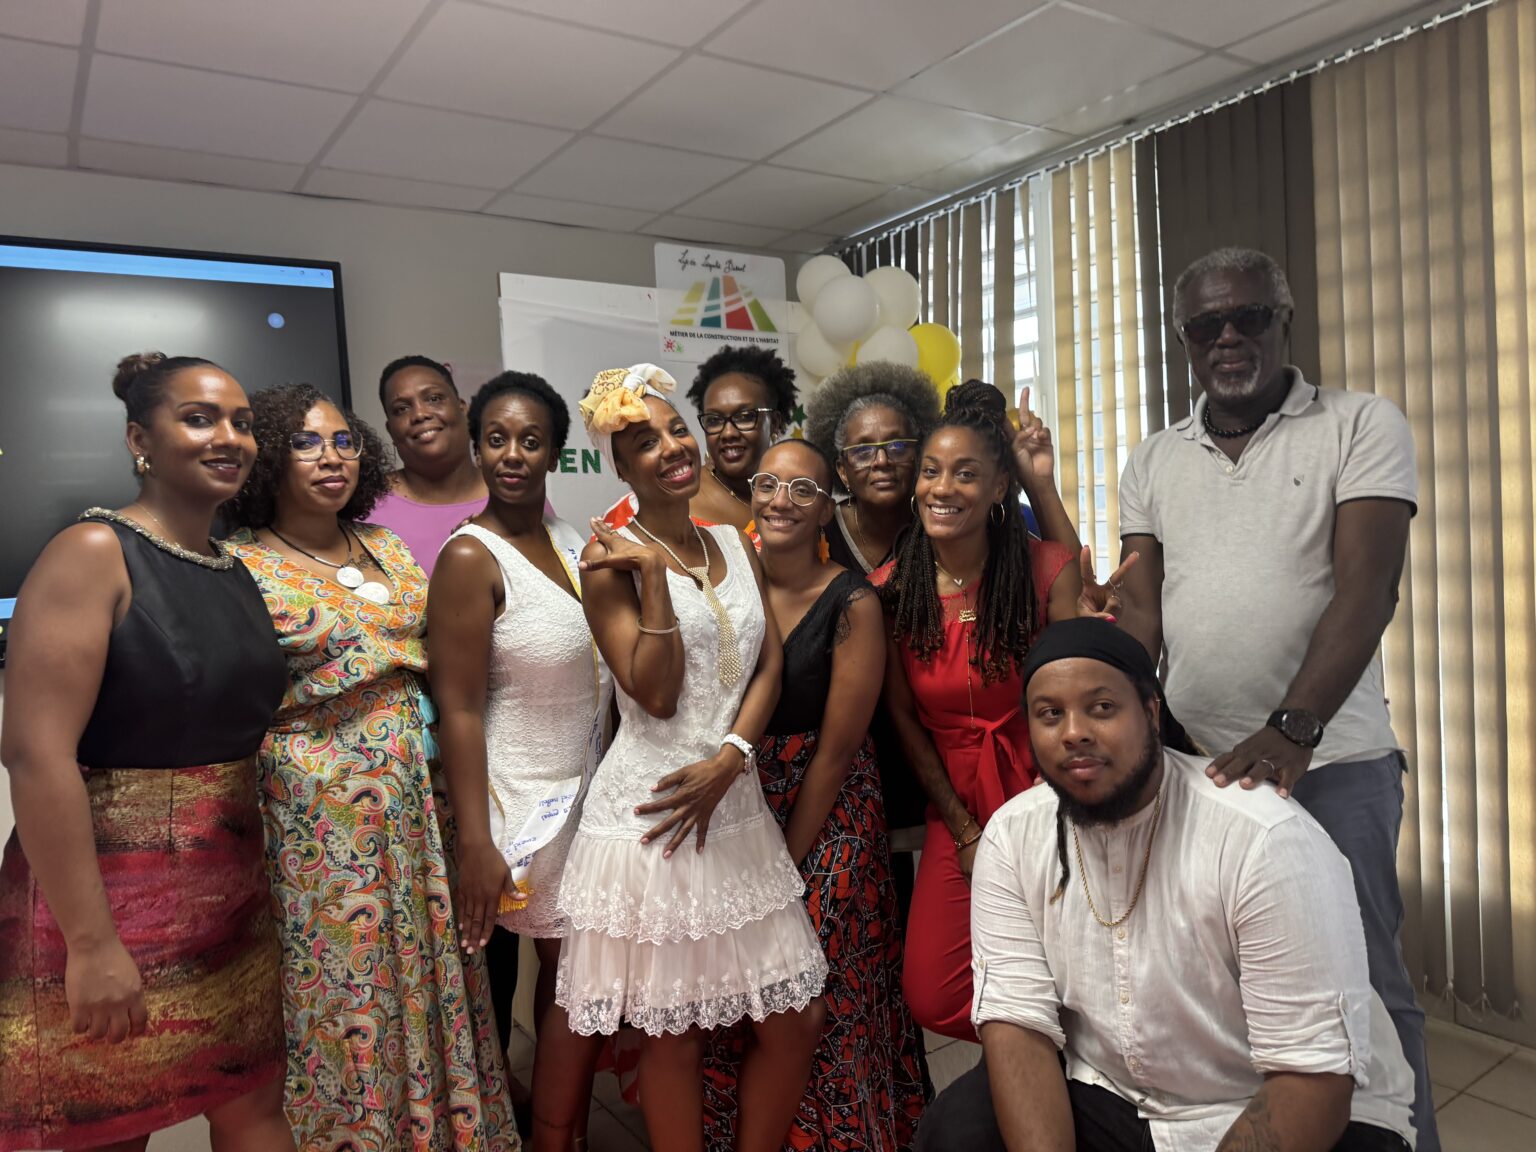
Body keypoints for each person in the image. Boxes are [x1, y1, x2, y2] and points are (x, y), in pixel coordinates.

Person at [1087, 247, 1436, 1150]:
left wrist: (1293, 731)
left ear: (1285, 320)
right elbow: (1144, 614)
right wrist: (1109, 668)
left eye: (1249, 317)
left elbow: (1369, 592)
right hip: (1199, 770)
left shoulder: (1360, 424)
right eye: (1207, 325)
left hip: (1333, 763)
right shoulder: (1153, 458)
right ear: (1184, 339)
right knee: (1232, 990)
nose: (1229, 337)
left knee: (1364, 990)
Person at [917, 617, 1417, 1152]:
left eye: (1101, 707)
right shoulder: (1012, 837)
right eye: (1050, 714)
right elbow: (1017, 1027)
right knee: (959, 1127)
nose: (1073, 732)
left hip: (1262, 1097)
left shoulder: (1264, 840)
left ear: (1151, 714)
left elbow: (1310, 1079)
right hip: (1114, 1092)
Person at [0, 353, 295, 1151]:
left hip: (230, 902)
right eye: (199, 419)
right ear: (140, 439)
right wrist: (92, 944)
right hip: (106, 907)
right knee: (107, 1129)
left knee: (254, 1109)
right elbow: (35, 755)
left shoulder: (233, 568)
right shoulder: (92, 551)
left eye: (241, 422)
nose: (229, 437)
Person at [222, 384, 516, 1150]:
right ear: (269, 458)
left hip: (421, 808)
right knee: (347, 992)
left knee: (430, 978)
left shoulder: (385, 544)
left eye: (344, 441)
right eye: (307, 443)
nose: (332, 458)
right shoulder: (238, 564)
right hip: (319, 826)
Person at [555, 364, 827, 1152]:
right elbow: (657, 694)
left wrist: (734, 756)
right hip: (659, 816)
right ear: (621, 467)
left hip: (733, 804)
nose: (672, 447)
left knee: (795, 1016)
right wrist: (651, 578)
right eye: (645, 442)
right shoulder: (607, 559)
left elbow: (769, 662)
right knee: (671, 1036)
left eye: (677, 429)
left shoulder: (733, 543)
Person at [703, 440, 927, 1152]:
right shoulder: (726, 586)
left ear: (829, 508)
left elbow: (836, 752)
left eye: (803, 490)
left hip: (829, 812)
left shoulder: (852, 602)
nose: (781, 501)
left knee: (816, 983)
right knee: (743, 991)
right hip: (740, 802)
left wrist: (785, 864)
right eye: (769, 484)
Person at [428, 371, 612, 1152]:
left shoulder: (574, 542)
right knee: (561, 979)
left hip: (585, 795)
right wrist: (476, 841)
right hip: (514, 805)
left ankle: (557, 1133)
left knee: (575, 981)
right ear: (476, 447)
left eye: (530, 440)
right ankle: (541, 1135)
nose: (512, 454)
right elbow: (459, 709)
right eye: (497, 438)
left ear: (555, 452)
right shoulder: (470, 557)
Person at [873, 380, 1082, 1041]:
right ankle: (1034, 1052)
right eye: (931, 471)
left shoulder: (1043, 570)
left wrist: (1056, 807)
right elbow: (904, 719)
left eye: (965, 474)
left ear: (999, 489)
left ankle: (1060, 1076)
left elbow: (1078, 691)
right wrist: (964, 830)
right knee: (934, 994)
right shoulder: (890, 591)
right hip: (957, 804)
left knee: (1077, 966)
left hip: (1051, 792)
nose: (942, 488)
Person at [600, 346, 797, 542]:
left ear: (775, 422)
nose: (728, 433)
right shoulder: (644, 509)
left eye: (745, 417)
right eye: (714, 420)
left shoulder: (800, 499)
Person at [371, 355, 490, 576]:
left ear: (463, 409)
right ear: (390, 430)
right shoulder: (367, 504)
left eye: (434, 399)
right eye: (401, 409)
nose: (420, 414)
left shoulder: (513, 495)